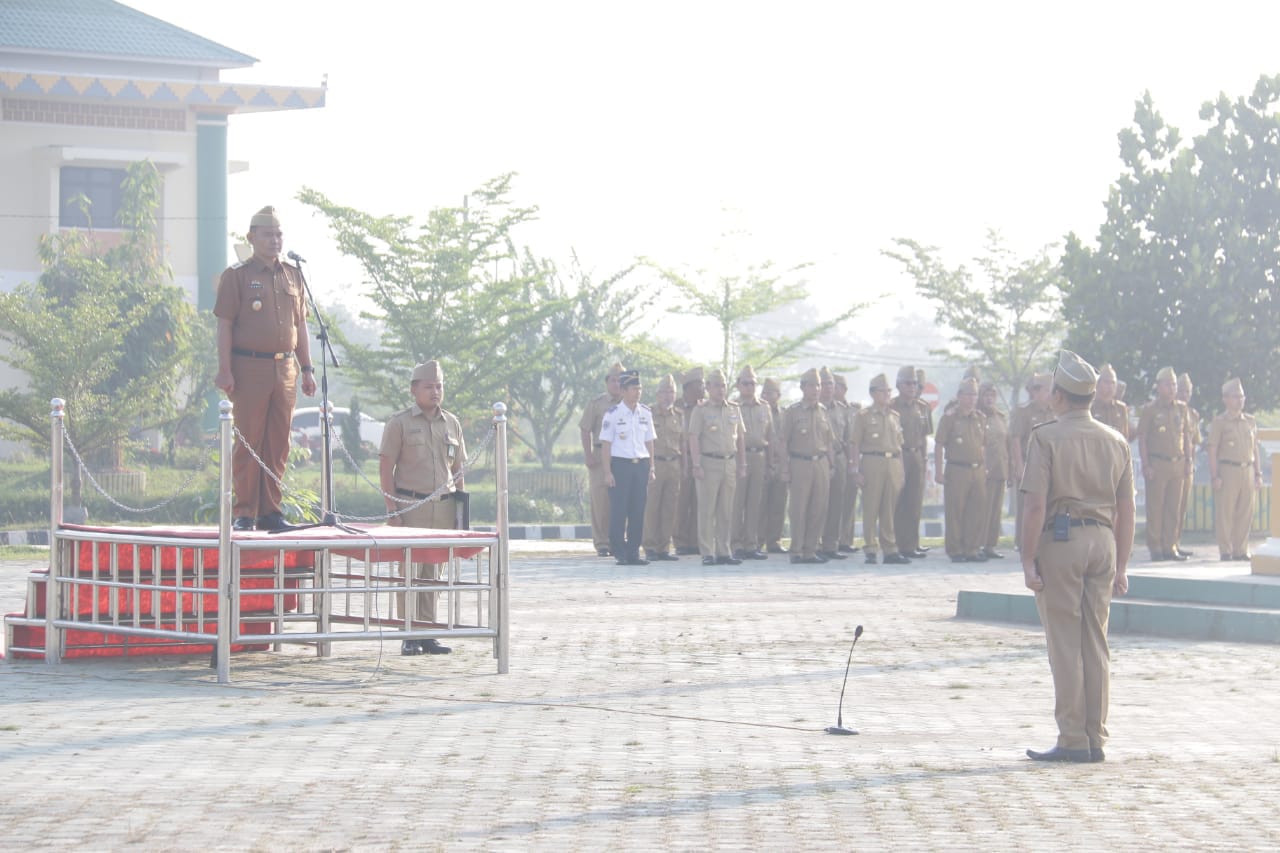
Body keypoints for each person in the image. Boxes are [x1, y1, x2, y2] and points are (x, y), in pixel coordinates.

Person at [1021, 350, 1134, 763]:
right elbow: (1127, 509)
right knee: (1096, 641)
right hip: (1103, 541)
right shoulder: (1116, 440)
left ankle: (1072, 738)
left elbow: (1034, 506)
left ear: (1059, 396)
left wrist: (1027, 560)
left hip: (1062, 542)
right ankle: (1094, 736)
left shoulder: (1046, 437)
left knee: (1066, 642)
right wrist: (1122, 565)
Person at [214, 205, 317, 532]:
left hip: (285, 368)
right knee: (249, 441)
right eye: (268, 234)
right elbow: (224, 325)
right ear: (252, 237)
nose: (275, 240)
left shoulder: (292, 274)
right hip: (249, 367)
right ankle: (245, 512)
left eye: (279, 234)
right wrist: (225, 369)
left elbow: (300, 327)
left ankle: (271, 511)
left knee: (278, 442)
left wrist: (307, 368)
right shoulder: (238, 275)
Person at [379, 360, 465, 656]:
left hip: (443, 507)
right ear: (414, 389)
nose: (435, 392)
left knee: (433, 572)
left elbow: (459, 468)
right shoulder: (399, 423)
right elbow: (386, 466)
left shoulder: (451, 423)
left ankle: (428, 631)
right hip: (411, 505)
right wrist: (393, 510)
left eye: (439, 386)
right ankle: (409, 634)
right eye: (428, 387)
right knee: (409, 572)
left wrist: (460, 510)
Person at [849, 373, 910, 565]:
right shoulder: (863, 416)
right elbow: (854, 443)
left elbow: (899, 446)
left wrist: (901, 470)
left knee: (889, 509)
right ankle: (870, 548)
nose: (887, 394)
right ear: (873, 393)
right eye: (883, 391)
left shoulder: (895, 416)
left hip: (892, 463)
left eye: (889, 391)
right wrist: (855, 470)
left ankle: (890, 549)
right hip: (871, 462)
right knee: (871, 507)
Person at [688, 368, 746, 565]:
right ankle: (707, 551)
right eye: (716, 386)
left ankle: (724, 550)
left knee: (726, 510)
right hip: (708, 463)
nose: (721, 390)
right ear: (708, 388)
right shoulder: (701, 410)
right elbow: (693, 437)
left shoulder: (734, 409)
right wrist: (696, 464)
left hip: (729, 463)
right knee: (707, 509)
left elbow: (740, 438)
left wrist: (742, 463)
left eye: (723, 386)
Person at [1137, 366, 1195, 561]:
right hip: (1157, 463)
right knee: (1156, 507)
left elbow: (1186, 437)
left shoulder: (1182, 408)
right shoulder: (1150, 410)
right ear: (1159, 386)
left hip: (1177, 463)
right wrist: (1146, 465)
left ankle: (1170, 546)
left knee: (1174, 507)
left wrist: (1188, 461)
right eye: (1168, 384)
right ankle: (1156, 547)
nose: (1172, 388)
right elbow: (1142, 438)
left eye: (1173, 384)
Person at [600, 370, 656, 566]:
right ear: (623, 391)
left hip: (640, 465)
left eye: (640, 388)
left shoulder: (646, 413)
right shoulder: (613, 414)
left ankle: (633, 552)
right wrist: (607, 472)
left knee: (638, 510)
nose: (638, 392)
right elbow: (606, 444)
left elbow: (649, 441)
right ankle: (619, 551)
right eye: (634, 389)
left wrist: (652, 467)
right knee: (619, 510)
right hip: (620, 465)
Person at [780, 368, 835, 564]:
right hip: (799, 463)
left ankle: (810, 550)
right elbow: (783, 441)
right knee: (798, 509)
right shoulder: (792, 412)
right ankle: (796, 550)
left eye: (818, 385)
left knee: (818, 508)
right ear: (803, 387)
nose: (815, 389)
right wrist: (785, 468)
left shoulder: (823, 411)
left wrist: (831, 464)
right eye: (811, 385)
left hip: (820, 463)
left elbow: (828, 441)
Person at [1207, 378, 1262, 561]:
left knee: (1245, 512)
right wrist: (1215, 476)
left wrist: (1258, 473)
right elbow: (1213, 449)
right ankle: (1225, 550)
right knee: (1225, 512)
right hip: (1228, 469)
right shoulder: (1219, 422)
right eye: (1235, 396)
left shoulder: (1250, 421)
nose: (1240, 400)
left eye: (1242, 396)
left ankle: (1241, 549)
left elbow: (1255, 449)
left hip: (1247, 468)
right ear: (1225, 399)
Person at [935, 377, 988, 562]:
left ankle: (972, 548)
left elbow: (984, 445)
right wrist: (939, 472)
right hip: (957, 469)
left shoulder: (980, 418)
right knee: (955, 511)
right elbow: (939, 444)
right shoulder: (950, 418)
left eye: (975, 394)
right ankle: (955, 550)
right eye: (968, 394)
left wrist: (985, 468)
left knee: (976, 511)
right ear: (959, 396)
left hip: (978, 469)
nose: (972, 398)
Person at [579, 362, 625, 556]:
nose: (616, 384)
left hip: (622, 455)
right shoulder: (597, 403)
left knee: (621, 500)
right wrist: (588, 454)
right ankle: (602, 542)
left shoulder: (630, 404)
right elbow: (585, 428)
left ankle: (617, 540)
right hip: (599, 455)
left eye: (620, 381)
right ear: (607, 383)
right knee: (600, 500)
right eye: (613, 380)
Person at [731, 365, 773, 560]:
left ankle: (751, 543)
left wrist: (770, 464)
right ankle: (735, 544)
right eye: (746, 383)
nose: (750, 387)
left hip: (759, 457)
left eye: (753, 383)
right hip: (740, 457)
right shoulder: (732, 406)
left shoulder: (764, 407)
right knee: (737, 502)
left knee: (755, 503)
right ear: (739, 385)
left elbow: (770, 437)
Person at [641, 373, 684, 562]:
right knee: (651, 506)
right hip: (654, 463)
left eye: (671, 392)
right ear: (658, 395)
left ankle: (664, 547)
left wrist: (685, 466)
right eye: (665, 392)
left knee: (670, 507)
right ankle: (649, 546)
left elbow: (683, 443)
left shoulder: (680, 416)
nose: (668, 396)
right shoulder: (648, 413)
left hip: (673, 464)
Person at [1010, 372, 1055, 548]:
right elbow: (1015, 439)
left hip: (1050, 465)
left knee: (1049, 504)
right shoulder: (1023, 412)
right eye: (1039, 390)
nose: (1046, 394)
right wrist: (1019, 466)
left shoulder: (1056, 412)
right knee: (1026, 507)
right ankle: (1023, 542)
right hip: (1029, 464)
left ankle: (1044, 540)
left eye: (1047, 390)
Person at [892, 365, 932, 558]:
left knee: (915, 501)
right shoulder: (892, 407)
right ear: (899, 385)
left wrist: (924, 459)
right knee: (898, 502)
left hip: (916, 455)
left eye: (915, 383)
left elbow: (924, 436)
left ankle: (912, 543)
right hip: (899, 456)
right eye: (908, 383)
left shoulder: (922, 407)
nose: (912, 387)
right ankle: (898, 544)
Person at [818, 367, 851, 561]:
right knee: (819, 503)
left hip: (839, 458)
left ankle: (831, 544)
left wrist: (852, 464)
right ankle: (814, 543)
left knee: (837, 503)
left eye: (831, 383)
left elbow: (848, 438)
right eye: (824, 384)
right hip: (820, 458)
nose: (828, 387)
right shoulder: (813, 408)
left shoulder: (842, 410)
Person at [672, 367, 706, 555]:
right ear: (688, 387)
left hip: (701, 459)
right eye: (699, 384)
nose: (703, 388)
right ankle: (680, 541)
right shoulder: (676, 407)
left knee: (699, 501)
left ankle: (695, 541)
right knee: (682, 501)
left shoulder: (704, 407)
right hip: (681, 459)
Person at [978, 381, 1010, 559]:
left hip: (1000, 469)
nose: (989, 398)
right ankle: (979, 544)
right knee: (983, 509)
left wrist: (1010, 469)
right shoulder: (977, 416)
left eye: (992, 395)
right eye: (985, 395)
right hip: (984, 469)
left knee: (996, 510)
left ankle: (990, 545)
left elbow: (1007, 443)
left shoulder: (1000, 417)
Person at [760, 377, 789, 554]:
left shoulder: (786, 414)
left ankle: (774, 541)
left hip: (781, 462)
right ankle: (757, 540)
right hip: (763, 462)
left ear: (778, 395)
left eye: (770, 393)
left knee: (779, 504)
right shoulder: (760, 412)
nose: (766, 396)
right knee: (760, 504)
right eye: (764, 393)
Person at [834, 374, 863, 554]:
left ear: (844, 389)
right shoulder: (829, 409)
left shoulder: (855, 410)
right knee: (834, 500)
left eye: (836, 386)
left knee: (850, 499)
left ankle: (846, 539)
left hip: (852, 457)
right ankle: (831, 539)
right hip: (837, 456)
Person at [1173, 373, 1200, 557]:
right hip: (1173, 464)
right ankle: (1165, 545)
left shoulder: (1192, 414)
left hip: (1187, 466)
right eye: (1181, 390)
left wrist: (1190, 462)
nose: (1184, 394)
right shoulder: (1173, 411)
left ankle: (1176, 542)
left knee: (1181, 507)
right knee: (1171, 507)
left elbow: (1194, 440)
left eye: (1188, 391)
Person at [1091, 364, 1132, 439]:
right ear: (1098, 383)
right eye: (1106, 382)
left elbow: (1125, 437)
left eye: (1113, 383)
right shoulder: (1090, 407)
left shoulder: (1121, 408)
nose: (1110, 386)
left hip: (1115, 449)